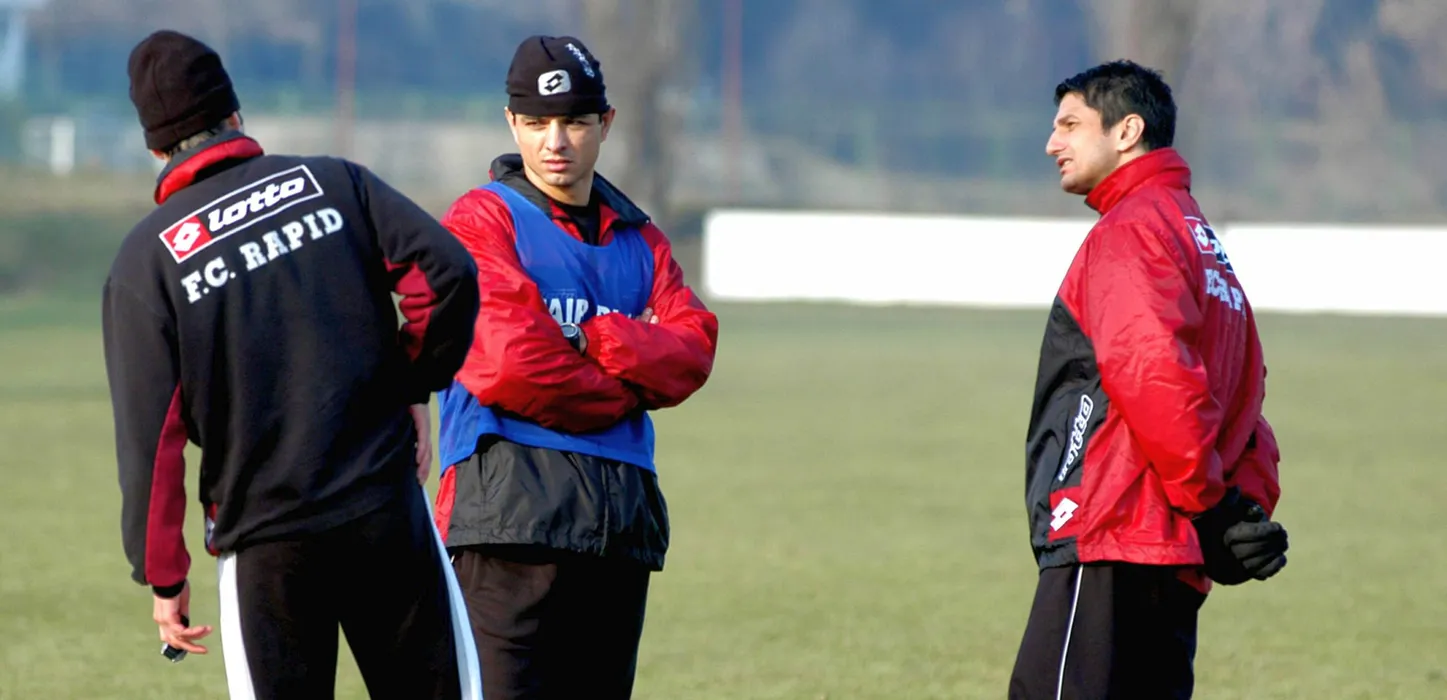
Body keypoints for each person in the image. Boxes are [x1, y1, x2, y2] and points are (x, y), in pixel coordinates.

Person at [104, 29, 483, 699]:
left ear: (156, 148)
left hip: (264, 547)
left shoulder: (146, 263)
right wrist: (412, 384)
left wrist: (164, 574)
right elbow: (445, 273)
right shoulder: (332, 183)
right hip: (383, 509)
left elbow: (151, 440)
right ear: (235, 116)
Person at [429, 35, 719, 700]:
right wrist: (625, 387)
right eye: (536, 123)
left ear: (605, 123)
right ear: (512, 123)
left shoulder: (641, 238)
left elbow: (692, 350)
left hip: (619, 522)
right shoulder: (480, 221)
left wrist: (590, 337)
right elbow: (509, 364)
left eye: (575, 122)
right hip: (506, 516)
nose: (555, 142)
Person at [1009, 60, 1292, 699]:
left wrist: (1213, 507)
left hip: (1114, 530)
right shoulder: (1199, 238)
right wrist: (1236, 513)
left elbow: (1154, 375)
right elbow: (1246, 400)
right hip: (1175, 553)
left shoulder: (1133, 230)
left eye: (1070, 125)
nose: (1052, 143)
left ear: (1127, 131)